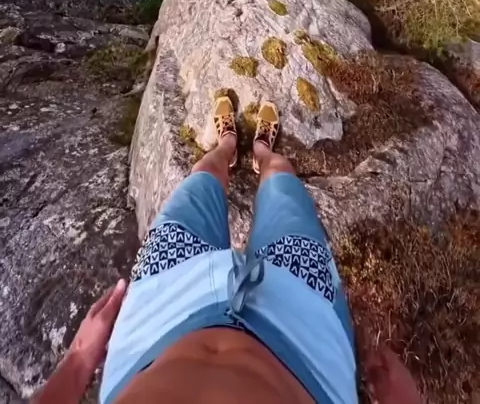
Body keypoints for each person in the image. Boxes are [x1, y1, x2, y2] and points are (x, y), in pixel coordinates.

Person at [32, 98, 423, 404]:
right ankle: (263, 154)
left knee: (201, 177)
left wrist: (79, 362)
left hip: (156, 317)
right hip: (305, 335)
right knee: (282, 180)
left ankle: (229, 147)